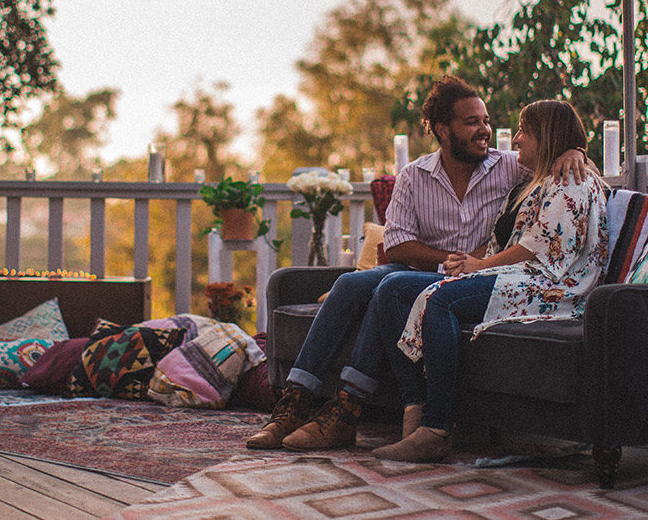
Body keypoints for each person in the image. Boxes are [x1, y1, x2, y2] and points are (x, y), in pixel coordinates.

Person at [245, 78, 590, 451]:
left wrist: (576, 150)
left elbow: (554, 164)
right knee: (349, 285)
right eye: (472, 122)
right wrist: (450, 260)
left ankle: (346, 410)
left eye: (486, 120)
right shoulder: (414, 175)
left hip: (474, 274)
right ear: (444, 130)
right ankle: (293, 405)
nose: (485, 130)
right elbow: (396, 244)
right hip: (425, 268)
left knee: (384, 291)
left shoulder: (509, 168)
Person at [369, 99, 609, 463]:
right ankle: (413, 406)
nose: (515, 141)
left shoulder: (569, 180)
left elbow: (537, 250)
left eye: (523, 132)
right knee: (395, 289)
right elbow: (507, 241)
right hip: (517, 275)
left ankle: (437, 428)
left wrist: (478, 266)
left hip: (550, 286)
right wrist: (470, 264)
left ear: (544, 137)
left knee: (442, 300)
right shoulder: (532, 183)